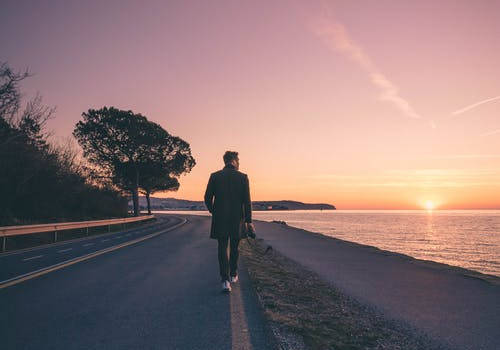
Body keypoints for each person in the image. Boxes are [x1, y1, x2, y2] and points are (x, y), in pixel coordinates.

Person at [204, 151, 255, 293]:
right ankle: (233, 274)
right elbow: (247, 202)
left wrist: (215, 211)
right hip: (237, 219)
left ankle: (225, 280)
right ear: (233, 161)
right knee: (234, 247)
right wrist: (249, 221)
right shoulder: (243, 177)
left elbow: (207, 198)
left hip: (220, 219)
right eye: (238, 160)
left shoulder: (215, 176)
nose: (239, 163)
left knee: (222, 248)